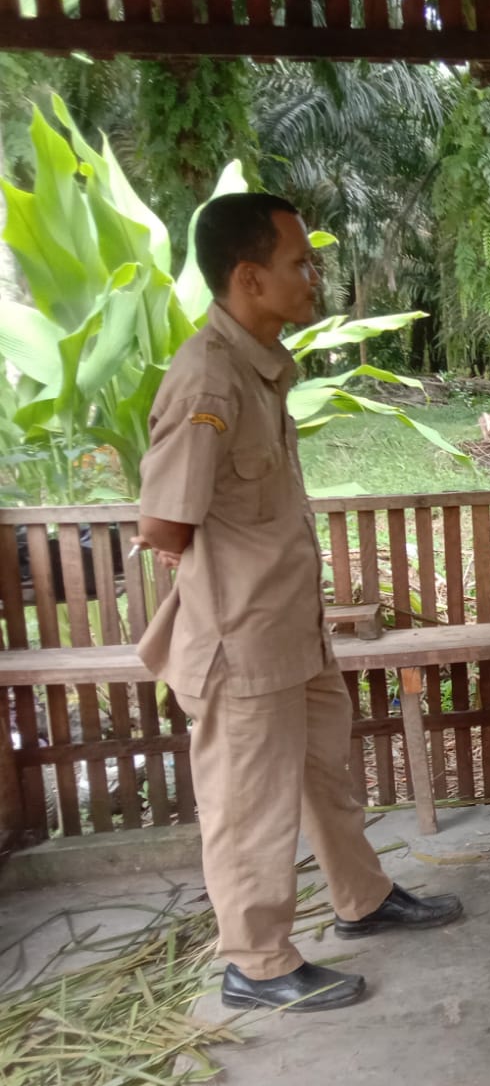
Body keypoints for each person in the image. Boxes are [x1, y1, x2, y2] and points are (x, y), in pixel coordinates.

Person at [136, 193, 462, 1014]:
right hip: (242, 641)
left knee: (325, 775)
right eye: (299, 264)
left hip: (292, 630)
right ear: (249, 277)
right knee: (249, 806)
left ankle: (361, 899)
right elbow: (165, 522)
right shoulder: (209, 376)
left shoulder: (258, 366)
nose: (314, 277)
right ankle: (258, 963)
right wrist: (235, 584)